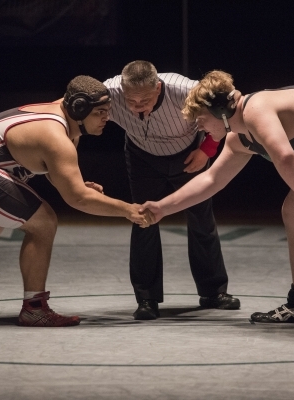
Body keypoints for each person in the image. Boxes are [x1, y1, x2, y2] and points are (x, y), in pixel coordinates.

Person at [141, 70, 294, 340]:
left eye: (201, 120)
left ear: (221, 111)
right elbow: (212, 179)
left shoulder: (256, 109)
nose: (199, 128)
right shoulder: (238, 139)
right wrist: (162, 207)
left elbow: (285, 158)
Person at [0, 75, 150, 327]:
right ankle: (34, 308)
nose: (107, 118)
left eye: (108, 111)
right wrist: (128, 210)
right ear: (79, 108)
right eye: (100, 112)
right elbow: (78, 199)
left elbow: (57, 175)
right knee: (44, 222)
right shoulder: (56, 136)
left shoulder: (63, 120)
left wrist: (72, 183)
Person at [103, 61, 240, 320]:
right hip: (142, 157)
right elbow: (71, 105)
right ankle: (147, 298)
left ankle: (213, 292)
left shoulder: (185, 89)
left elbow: (224, 109)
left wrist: (207, 150)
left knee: (201, 219)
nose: (137, 107)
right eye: (131, 101)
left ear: (158, 87)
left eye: (144, 99)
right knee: (143, 220)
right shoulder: (108, 92)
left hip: (189, 155)